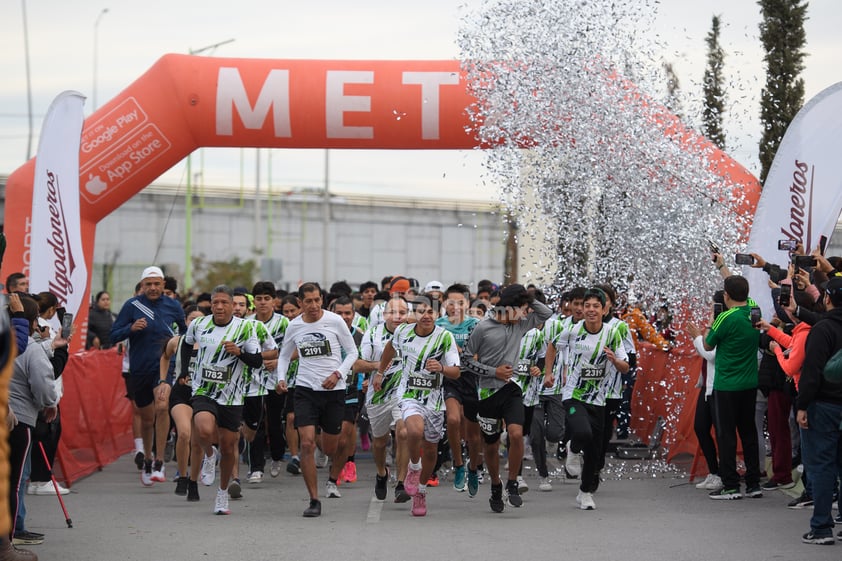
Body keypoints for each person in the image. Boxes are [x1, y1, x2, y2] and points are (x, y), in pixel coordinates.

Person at [462, 283, 553, 512]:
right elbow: (466, 360)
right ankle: (495, 485)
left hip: (511, 389)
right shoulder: (483, 327)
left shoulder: (521, 324)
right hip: (486, 392)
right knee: (490, 446)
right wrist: (494, 372)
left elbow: (546, 314)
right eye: (521, 310)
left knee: (515, 434)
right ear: (508, 308)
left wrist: (527, 298)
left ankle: (512, 483)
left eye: (525, 310)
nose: (525, 314)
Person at [275, 283, 359, 518]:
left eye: (316, 300)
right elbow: (283, 356)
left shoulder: (334, 321)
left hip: (333, 390)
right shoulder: (294, 326)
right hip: (305, 389)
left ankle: (330, 469)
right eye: (308, 301)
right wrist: (281, 378)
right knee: (306, 444)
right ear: (300, 303)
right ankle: (314, 499)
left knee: (331, 447)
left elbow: (352, 353)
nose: (313, 305)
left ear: (321, 299)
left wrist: (337, 374)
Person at [181, 285, 264, 515]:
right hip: (204, 389)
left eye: (223, 303)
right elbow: (186, 344)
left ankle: (222, 493)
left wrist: (239, 352)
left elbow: (257, 361)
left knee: (229, 448)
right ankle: (209, 454)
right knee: (204, 429)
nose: (218, 306)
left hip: (232, 395)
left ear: (232, 305)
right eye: (215, 302)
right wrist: (185, 370)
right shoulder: (199, 324)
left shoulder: (246, 328)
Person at [545, 287, 629, 511]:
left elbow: (625, 365)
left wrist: (614, 360)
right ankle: (572, 449)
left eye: (595, 306)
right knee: (582, 432)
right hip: (573, 394)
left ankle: (584, 493)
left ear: (604, 310)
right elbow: (552, 346)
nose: (590, 310)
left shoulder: (612, 333)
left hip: (599, 400)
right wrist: (548, 373)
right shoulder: (572, 330)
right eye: (587, 306)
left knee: (594, 451)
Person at [377, 296, 461, 516]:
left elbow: (456, 371)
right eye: (421, 311)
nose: (426, 316)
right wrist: (379, 372)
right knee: (413, 430)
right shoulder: (403, 332)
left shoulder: (445, 337)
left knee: (431, 449)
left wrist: (441, 368)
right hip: (409, 394)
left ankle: (421, 490)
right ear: (415, 314)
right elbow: (389, 349)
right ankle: (414, 467)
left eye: (431, 312)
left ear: (437, 315)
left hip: (434, 400)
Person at [110, 266, 186, 486]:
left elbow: (184, 333)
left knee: (162, 407)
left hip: (164, 366)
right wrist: (131, 328)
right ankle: (148, 459)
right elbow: (113, 334)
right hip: (139, 368)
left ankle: (160, 461)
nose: (153, 288)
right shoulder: (131, 306)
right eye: (148, 284)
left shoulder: (173, 306)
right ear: (142, 286)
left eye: (157, 284)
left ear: (163, 285)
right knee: (146, 418)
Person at [703, 275, 763, 500]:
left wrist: (711, 321)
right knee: (748, 433)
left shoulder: (725, 318)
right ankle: (754, 483)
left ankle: (730, 485)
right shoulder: (754, 310)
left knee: (726, 435)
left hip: (727, 385)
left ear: (726, 295)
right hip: (749, 383)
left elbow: (708, 344)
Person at [8, 294, 58, 559]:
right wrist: (51, 402)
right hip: (18, 421)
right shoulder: (29, 347)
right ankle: (7, 544)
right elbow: (42, 386)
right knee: (13, 483)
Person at [795, 276, 842, 545]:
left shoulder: (823, 329)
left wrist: (802, 405)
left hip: (824, 404)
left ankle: (822, 526)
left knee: (823, 466)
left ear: (828, 299)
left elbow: (811, 372)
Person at [354, 297, 410, 500]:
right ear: (384, 314)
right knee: (380, 442)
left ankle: (402, 483)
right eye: (392, 312)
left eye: (402, 312)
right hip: (378, 395)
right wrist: (380, 367)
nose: (397, 316)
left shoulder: (414, 334)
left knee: (404, 433)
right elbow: (358, 365)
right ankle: (381, 473)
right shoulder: (373, 334)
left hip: (404, 394)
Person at [435, 283, 481, 495]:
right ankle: (459, 464)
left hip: (472, 380)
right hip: (449, 378)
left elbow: (481, 353)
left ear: (468, 304)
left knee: (472, 433)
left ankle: (473, 468)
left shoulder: (476, 325)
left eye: (460, 303)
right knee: (453, 419)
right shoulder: (438, 325)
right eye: (450, 302)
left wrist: (468, 354)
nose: (455, 307)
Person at [159, 306, 204, 496]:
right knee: (184, 433)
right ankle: (183, 476)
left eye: (199, 320)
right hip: (181, 393)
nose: (195, 323)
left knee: (198, 440)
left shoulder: (211, 343)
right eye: (191, 319)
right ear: (185, 322)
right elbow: (165, 357)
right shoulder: (177, 341)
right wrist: (164, 381)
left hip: (203, 393)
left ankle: (194, 480)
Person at [686, 291, 725, 491]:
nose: (712, 311)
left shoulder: (725, 323)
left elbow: (710, 354)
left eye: (714, 307)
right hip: (707, 386)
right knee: (700, 427)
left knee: (721, 431)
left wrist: (697, 337)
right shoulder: (715, 324)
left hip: (720, 385)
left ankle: (724, 474)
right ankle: (715, 471)